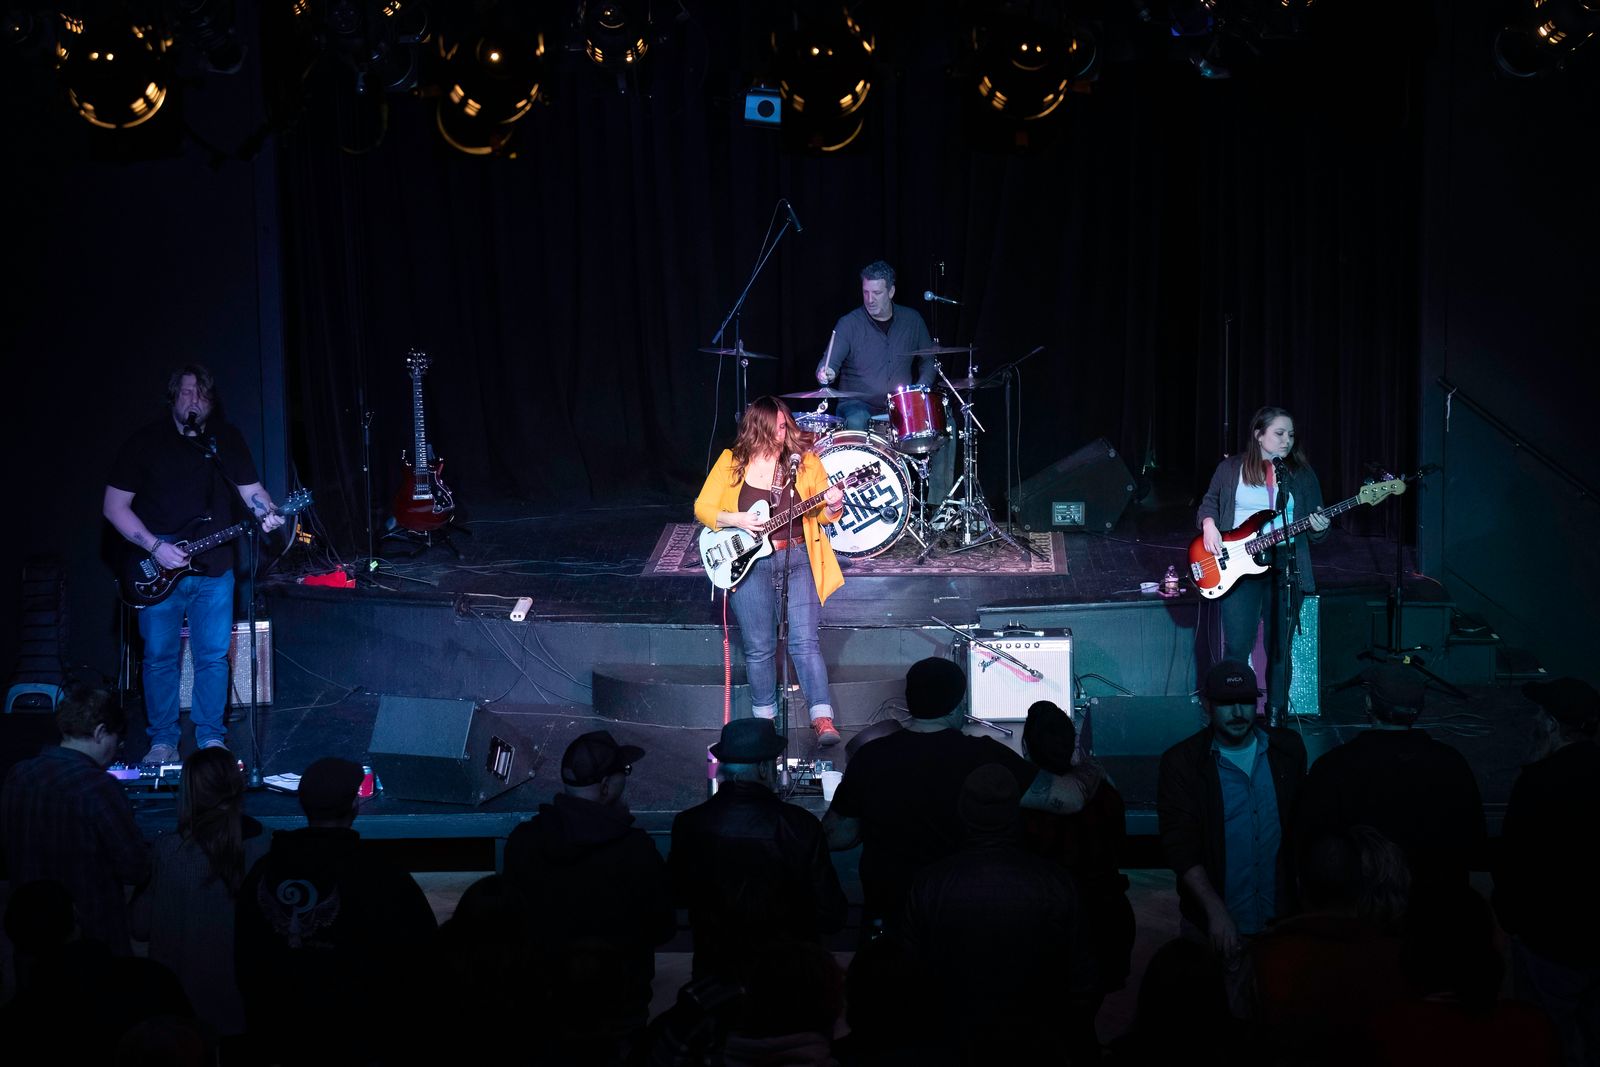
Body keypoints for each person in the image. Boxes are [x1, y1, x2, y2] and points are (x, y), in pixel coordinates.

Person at [822, 656, 1105, 933]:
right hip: (959, 919)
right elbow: (1070, 798)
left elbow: (836, 835)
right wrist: (1092, 765)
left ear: (910, 702)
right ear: (959, 705)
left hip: (890, 920)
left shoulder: (870, 757)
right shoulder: (984, 756)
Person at [103, 364, 285, 763]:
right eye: (186, 393)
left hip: (215, 568)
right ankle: (163, 741)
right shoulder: (145, 442)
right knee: (159, 657)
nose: (193, 401)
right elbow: (114, 507)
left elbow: (252, 492)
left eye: (201, 395)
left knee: (213, 656)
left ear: (211, 402)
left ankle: (211, 738)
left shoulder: (224, 440)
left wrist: (268, 512)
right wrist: (155, 547)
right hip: (158, 568)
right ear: (173, 397)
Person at [234, 756, 438, 1064]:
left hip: (284, 1037)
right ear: (355, 804)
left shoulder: (265, 870)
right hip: (360, 1038)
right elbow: (422, 953)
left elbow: (246, 955)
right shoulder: (379, 873)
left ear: (302, 804)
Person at [901, 763, 1100, 1063]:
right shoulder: (1056, 882)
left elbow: (909, 977)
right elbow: (1083, 982)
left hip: (953, 1042)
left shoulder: (929, 884)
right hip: (1036, 1042)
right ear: (1015, 813)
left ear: (962, 811)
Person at [500, 729, 674, 1063]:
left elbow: (511, 924)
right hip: (619, 1016)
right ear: (606, 787)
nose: (627, 779)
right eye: (624, 772)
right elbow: (662, 927)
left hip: (544, 1010)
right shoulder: (635, 850)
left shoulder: (524, 841)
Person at [1157, 658, 1306, 1015]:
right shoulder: (1183, 762)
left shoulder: (1286, 750)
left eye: (1245, 702)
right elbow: (1181, 847)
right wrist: (1215, 911)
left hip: (1280, 921)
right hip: (1217, 925)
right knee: (1216, 1025)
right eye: (1226, 703)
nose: (1238, 712)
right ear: (1207, 705)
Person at [694, 395, 847, 745]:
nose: (786, 430)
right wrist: (736, 519)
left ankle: (822, 718)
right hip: (750, 565)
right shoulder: (732, 462)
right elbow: (703, 508)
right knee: (759, 647)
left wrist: (833, 506)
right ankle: (764, 722)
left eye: (786, 424)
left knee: (805, 642)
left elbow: (821, 515)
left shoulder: (804, 462)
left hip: (798, 558)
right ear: (760, 427)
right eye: (779, 426)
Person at [668, 717, 847, 979]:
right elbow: (831, 915)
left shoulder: (689, 824)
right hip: (787, 977)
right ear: (764, 769)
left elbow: (678, 895)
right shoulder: (800, 825)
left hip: (717, 975)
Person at [1295, 664, 1486, 897]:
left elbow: (1312, 848)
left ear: (1369, 704)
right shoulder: (1452, 764)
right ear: (1420, 708)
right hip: (1436, 905)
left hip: (1362, 907)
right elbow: (1474, 847)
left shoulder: (1333, 767)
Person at [1197, 405, 1329, 723]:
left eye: (1291, 435)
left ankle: (1276, 717)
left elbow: (1317, 528)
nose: (1287, 441)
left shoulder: (1301, 473)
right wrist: (1209, 524)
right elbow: (1209, 502)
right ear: (1259, 435)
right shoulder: (1231, 468)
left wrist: (1320, 527)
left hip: (1286, 565)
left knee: (1279, 647)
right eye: (1279, 433)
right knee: (1237, 645)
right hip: (1240, 565)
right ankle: (1232, 713)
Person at [1493, 677, 1600, 1067]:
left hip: (1549, 941)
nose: (1535, 720)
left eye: (1541, 714)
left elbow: (1514, 860)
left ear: (1553, 724)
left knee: (1545, 1042)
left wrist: (1512, 920)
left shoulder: (1537, 781)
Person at [129, 746, 269, 1041]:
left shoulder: (170, 850)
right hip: (244, 1006)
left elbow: (139, 926)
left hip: (182, 1011)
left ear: (188, 792)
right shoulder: (264, 846)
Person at [0, 684, 150, 955]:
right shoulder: (98, 786)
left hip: (31, 945)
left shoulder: (17, 775)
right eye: (117, 740)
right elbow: (135, 867)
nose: (116, 750)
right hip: (92, 945)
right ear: (100, 732)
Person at [814, 260, 955, 520]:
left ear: (891, 291)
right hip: (859, 405)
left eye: (877, 293)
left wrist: (921, 390)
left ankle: (939, 507)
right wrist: (826, 373)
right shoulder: (848, 324)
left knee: (947, 424)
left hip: (900, 407)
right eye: (866, 292)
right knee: (856, 419)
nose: (870, 299)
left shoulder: (912, 320)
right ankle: (857, 508)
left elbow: (929, 361)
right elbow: (827, 365)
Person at [1020, 700, 1136, 1004]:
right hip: (1104, 917)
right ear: (1071, 742)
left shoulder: (1023, 803)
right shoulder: (1104, 790)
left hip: (1046, 923)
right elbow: (1119, 844)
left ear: (1028, 745)